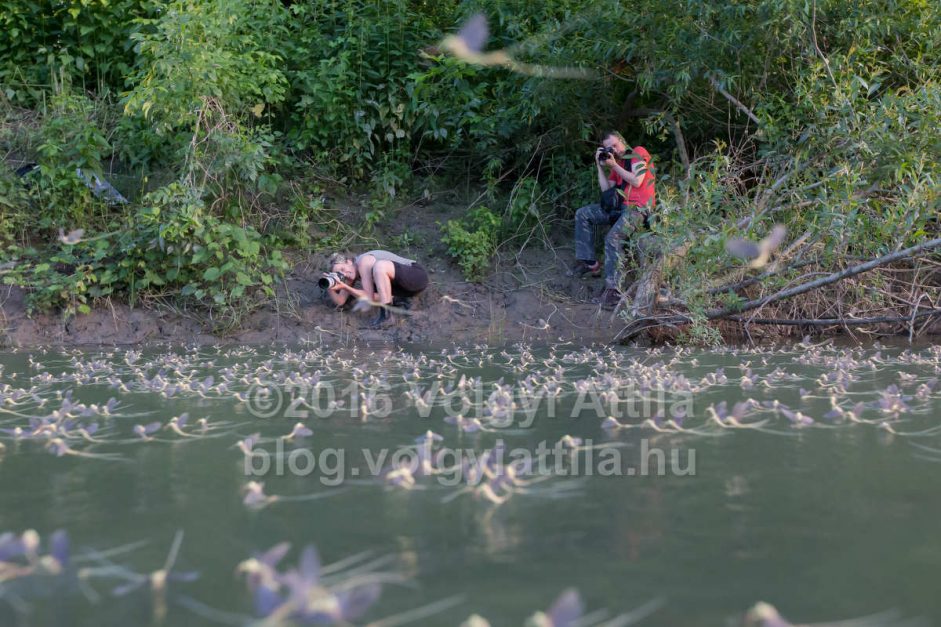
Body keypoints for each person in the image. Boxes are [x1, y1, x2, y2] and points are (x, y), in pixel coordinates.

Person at [571, 131, 655, 308]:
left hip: (638, 209)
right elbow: (606, 190)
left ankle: (614, 291)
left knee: (612, 238)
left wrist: (614, 165)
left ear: (623, 140)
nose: (614, 150)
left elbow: (637, 181)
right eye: (609, 148)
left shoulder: (638, 152)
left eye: (615, 145)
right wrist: (600, 166)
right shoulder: (618, 163)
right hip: (619, 208)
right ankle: (590, 263)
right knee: (583, 214)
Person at [323, 250, 429, 327]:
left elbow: (369, 298)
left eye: (342, 269)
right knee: (380, 290)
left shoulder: (363, 262)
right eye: (340, 273)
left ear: (349, 261)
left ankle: (386, 316)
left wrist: (346, 287)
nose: (344, 274)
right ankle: (399, 301)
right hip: (406, 291)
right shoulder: (349, 274)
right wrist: (328, 284)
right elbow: (340, 301)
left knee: (380, 266)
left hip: (417, 276)